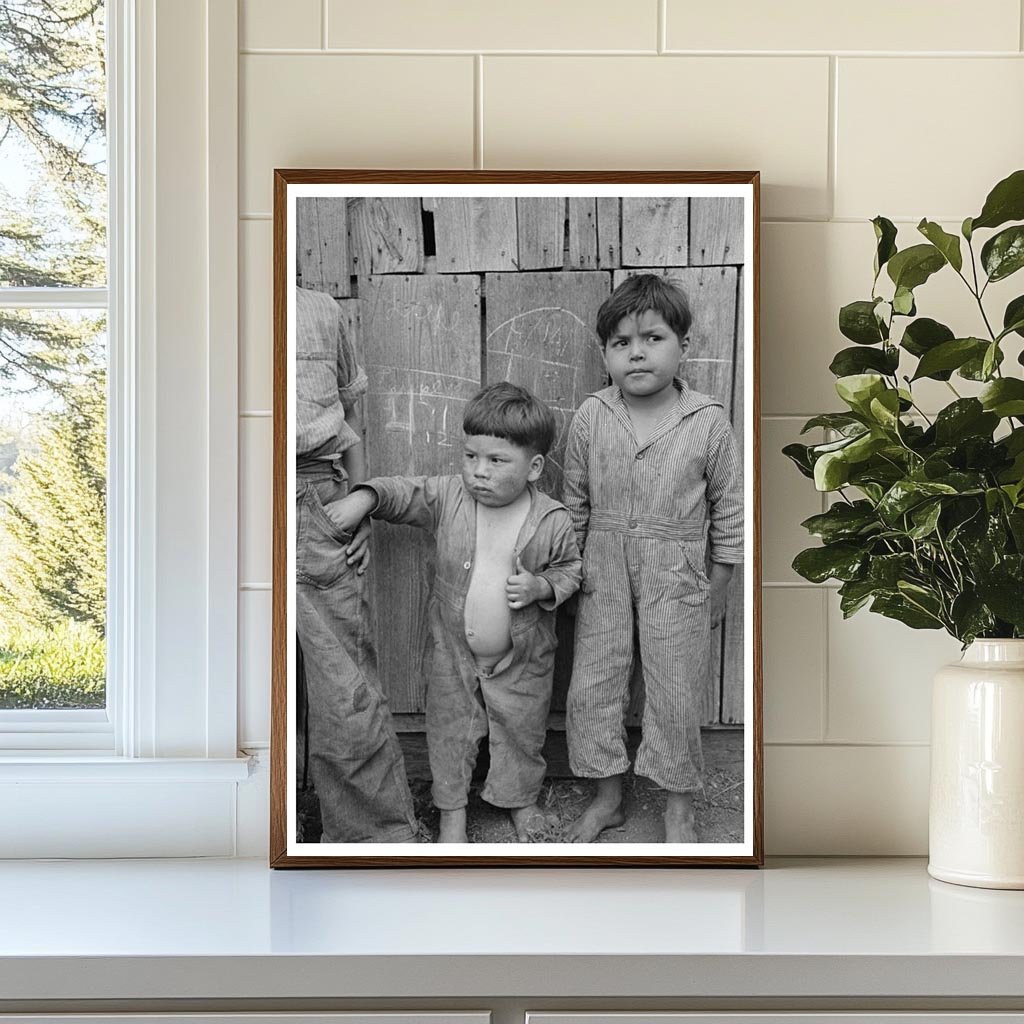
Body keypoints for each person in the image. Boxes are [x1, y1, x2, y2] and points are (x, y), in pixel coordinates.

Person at [323, 382, 582, 843]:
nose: (478, 472)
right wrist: (363, 498)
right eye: (470, 457)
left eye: (496, 461)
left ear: (534, 467)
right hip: (452, 652)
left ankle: (519, 801)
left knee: (522, 734)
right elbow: (400, 492)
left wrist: (542, 585)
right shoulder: (448, 497)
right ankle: (452, 817)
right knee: (449, 734)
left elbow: (571, 571)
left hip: (524, 658)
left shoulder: (553, 518)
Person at [563, 274, 743, 844]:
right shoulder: (592, 416)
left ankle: (678, 810)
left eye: (653, 338)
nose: (636, 352)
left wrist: (718, 585)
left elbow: (730, 512)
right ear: (605, 355)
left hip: (678, 573)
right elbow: (574, 505)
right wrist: (570, 576)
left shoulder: (707, 420)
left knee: (674, 689)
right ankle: (608, 798)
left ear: (682, 346)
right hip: (603, 569)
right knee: (595, 682)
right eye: (621, 343)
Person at [294, 284, 418, 844]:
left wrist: (361, 503)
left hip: (315, 498)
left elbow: (349, 409)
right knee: (327, 682)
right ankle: (361, 839)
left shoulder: (318, 309)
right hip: (251, 493)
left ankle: (371, 838)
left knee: (341, 682)